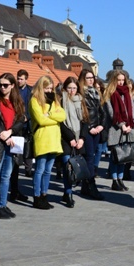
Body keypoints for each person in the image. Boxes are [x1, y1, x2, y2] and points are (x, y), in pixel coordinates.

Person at [0, 73, 25, 219]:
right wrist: (1, 133)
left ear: (13, 85)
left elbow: (21, 119)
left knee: (6, 175)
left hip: (11, 140)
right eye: (0, 84)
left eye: (5, 85)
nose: (2, 87)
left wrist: (10, 132)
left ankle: (3, 204)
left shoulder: (17, 100)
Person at [29, 76, 65, 209]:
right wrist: (53, 116)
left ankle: (44, 195)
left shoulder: (55, 100)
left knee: (48, 171)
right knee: (40, 170)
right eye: (46, 88)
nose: (49, 91)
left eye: (51, 88)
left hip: (54, 139)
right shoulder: (35, 100)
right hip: (42, 138)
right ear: (40, 87)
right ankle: (37, 196)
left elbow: (62, 116)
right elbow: (40, 120)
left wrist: (49, 115)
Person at [103, 71, 134, 191]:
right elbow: (112, 112)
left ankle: (120, 179)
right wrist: (122, 125)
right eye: (118, 80)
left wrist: (132, 124)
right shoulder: (109, 93)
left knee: (124, 157)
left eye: (123, 80)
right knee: (116, 157)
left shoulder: (128, 92)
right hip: (116, 129)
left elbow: (132, 110)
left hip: (128, 129)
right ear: (114, 80)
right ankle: (114, 180)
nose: (121, 82)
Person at [58, 77, 87, 208]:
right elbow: (61, 122)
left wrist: (81, 138)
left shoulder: (81, 100)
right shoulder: (60, 100)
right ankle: (68, 193)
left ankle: (67, 191)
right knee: (67, 166)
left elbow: (85, 120)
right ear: (65, 88)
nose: (72, 91)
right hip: (65, 138)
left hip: (78, 138)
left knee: (75, 167)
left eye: (74, 88)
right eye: (69, 88)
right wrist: (70, 138)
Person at [78, 69, 105, 199]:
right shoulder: (80, 94)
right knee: (89, 157)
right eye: (88, 78)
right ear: (83, 78)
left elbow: (102, 112)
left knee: (92, 157)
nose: (91, 80)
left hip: (97, 129)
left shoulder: (96, 93)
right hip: (87, 130)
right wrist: (89, 127)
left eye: (92, 78)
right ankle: (91, 185)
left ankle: (85, 186)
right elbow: (82, 114)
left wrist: (101, 126)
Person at [9, 69, 33, 202]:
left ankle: (27, 171)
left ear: (26, 79)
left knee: (27, 154)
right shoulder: (13, 91)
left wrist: (27, 118)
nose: (19, 80)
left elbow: (32, 108)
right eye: (18, 78)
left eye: (21, 78)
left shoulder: (31, 91)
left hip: (26, 128)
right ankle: (14, 190)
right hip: (15, 129)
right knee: (15, 161)